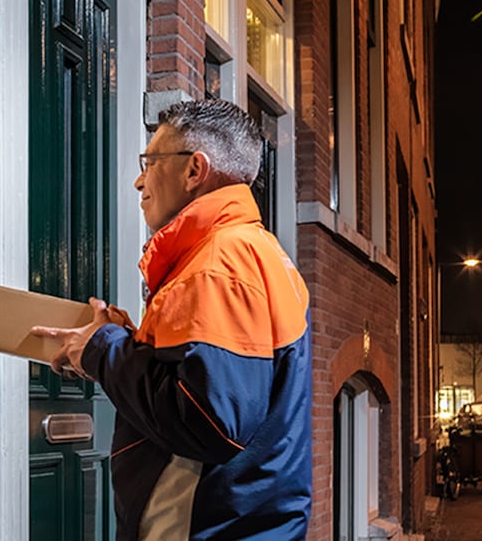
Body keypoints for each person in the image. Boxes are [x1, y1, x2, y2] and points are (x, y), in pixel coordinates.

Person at [34, 99, 312, 540]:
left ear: (194, 170)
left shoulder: (218, 264)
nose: (139, 180)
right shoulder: (256, 252)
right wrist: (122, 343)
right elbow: (206, 386)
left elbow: (208, 420)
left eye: (150, 162)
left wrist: (104, 349)